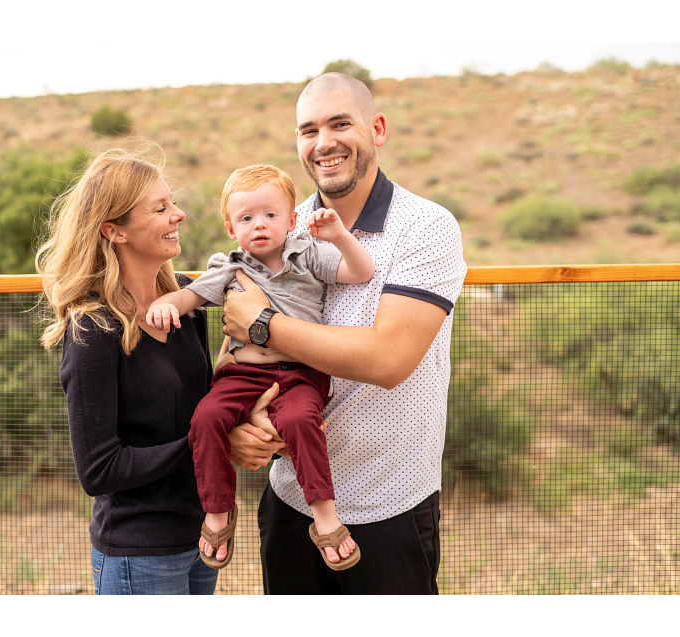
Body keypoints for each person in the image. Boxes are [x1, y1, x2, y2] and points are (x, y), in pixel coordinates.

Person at [222, 73, 468, 594]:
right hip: (290, 502)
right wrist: (241, 425)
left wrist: (265, 325)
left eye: (340, 124)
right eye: (308, 130)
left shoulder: (426, 227)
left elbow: (387, 360)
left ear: (377, 128)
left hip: (392, 506)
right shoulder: (278, 225)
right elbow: (233, 347)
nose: (323, 143)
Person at [34, 148, 275, 595]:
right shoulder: (93, 329)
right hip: (137, 553)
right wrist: (213, 441)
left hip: (202, 536)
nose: (178, 214)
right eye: (160, 208)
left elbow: (203, 408)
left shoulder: (187, 300)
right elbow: (99, 470)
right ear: (114, 230)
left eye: (173, 203)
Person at [145, 165, 374, 571]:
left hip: (302, 372)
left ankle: (324, 516)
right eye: (246, 218)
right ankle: (218, 510)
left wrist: (339, 236)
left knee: (302, 421)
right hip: (243, 375)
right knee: (207, 417)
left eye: (270, 215)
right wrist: (168, 303)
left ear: (292, 220)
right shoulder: (230, 266)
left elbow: (361, 272)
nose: (260, 224)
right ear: (232, 229)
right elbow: (192, 296)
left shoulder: (308, 254)